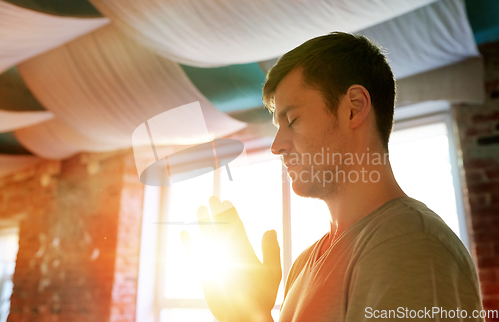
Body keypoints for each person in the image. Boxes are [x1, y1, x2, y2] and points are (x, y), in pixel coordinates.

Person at [181, 32, 484, 322]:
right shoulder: (303, 265)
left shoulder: (413, 245)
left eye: (292, 120)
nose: (276, 146)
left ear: (354, 108)